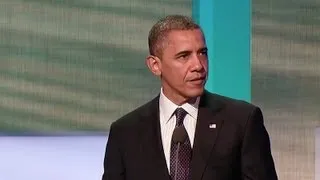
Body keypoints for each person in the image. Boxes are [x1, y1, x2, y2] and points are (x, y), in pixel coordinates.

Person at [102, 15, 278, 180]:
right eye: (184, 56)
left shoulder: (242, 120)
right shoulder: (126, 132)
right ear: (155, 65)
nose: (198, 65)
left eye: (202, 53)